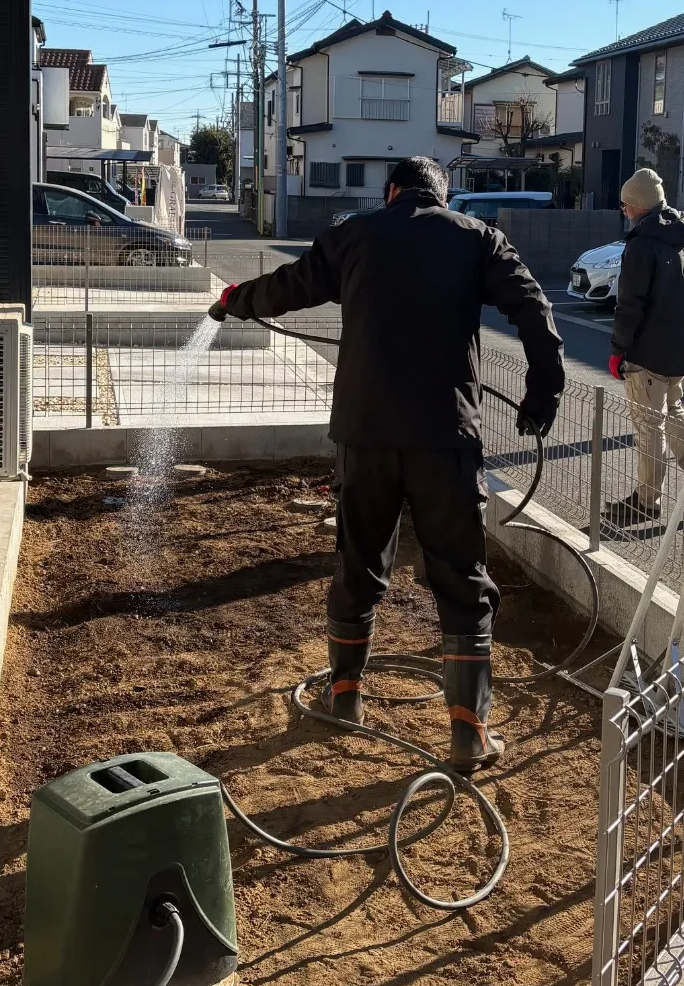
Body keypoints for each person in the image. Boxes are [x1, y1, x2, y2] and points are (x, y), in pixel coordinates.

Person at [208, 157, 564, 773]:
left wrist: (234, 301)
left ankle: (345, 697)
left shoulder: (354, 234)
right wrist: (541, 397)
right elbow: (535, 310)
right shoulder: (478, 238)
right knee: (461, 576)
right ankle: (469, 733)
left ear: (392, 190)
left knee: (358, 560)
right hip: (444, 436)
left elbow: (289, 286)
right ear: (442, 195)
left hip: (364, 434)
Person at [603, 166, 684, 528]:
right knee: (673, 409)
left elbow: (630, 305)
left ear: (638, 205)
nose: (623, 210)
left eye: (625, 204)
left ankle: (646, 501)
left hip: (647, 351)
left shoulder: (642, 244)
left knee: (649, 425)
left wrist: (619, 350)